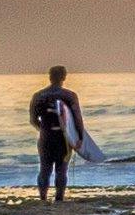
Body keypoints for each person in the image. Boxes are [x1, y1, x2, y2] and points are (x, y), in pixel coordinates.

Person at [28, 66, 99, 200]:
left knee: (45, 169)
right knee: (61, 170)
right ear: (64, 77)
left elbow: (32, 120)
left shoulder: (38, 96)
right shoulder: (70, 95)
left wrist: (43, 129)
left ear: (50, 77)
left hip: (45, 137)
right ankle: (59, 199)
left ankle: (42, 198)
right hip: (64, 138)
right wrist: (79, 138)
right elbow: (77, 118)